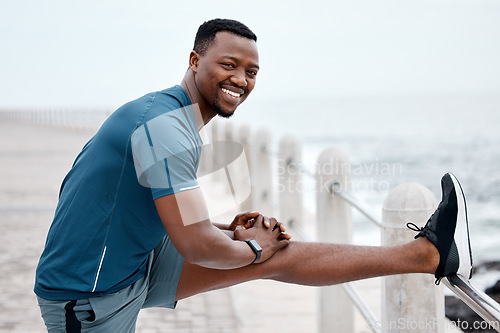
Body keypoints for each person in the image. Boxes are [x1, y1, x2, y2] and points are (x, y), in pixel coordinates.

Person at [34, 18, 473, 332]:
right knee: (263, 252)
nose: (241, 80)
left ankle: (426, 255)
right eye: (229, 65)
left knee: (280, 253)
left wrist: (232, 232)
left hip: (131, 265)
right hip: (88, 299)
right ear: (194, 60)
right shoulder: (165, 128)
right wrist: (249, 247)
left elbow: (154, 214)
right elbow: (194, 244)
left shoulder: (170, 117)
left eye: (252, 71)